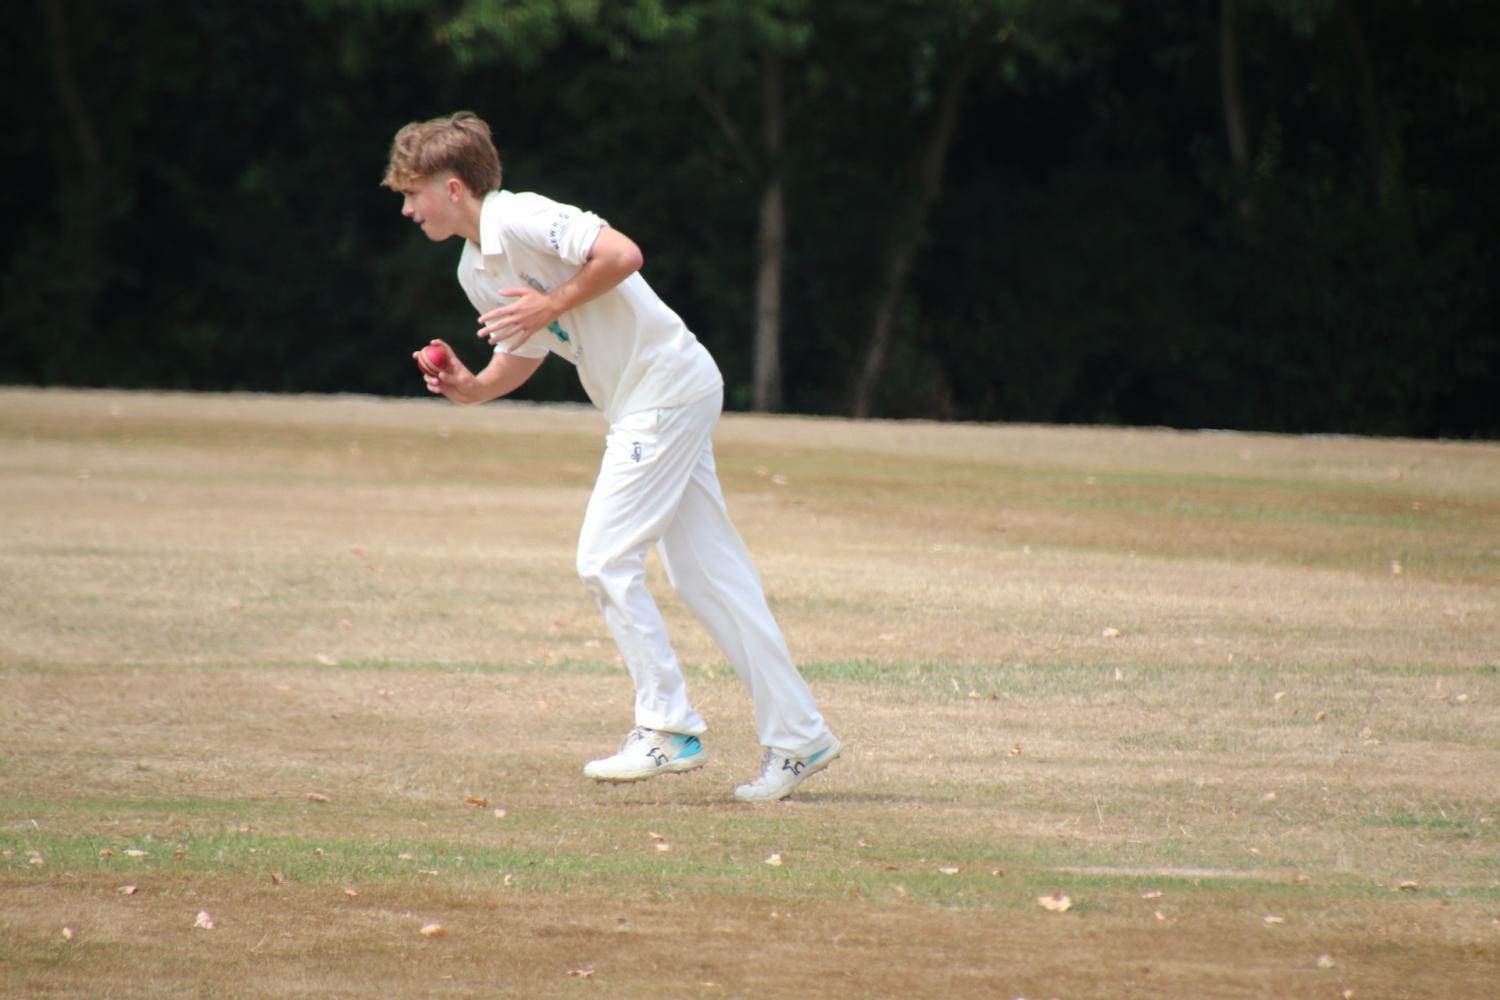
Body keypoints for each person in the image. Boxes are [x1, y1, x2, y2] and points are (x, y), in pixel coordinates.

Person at [382, 111, 841, 803]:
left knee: (603, 557)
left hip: (665, 388)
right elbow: (526, 349)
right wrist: (470, 388)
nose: (408, 208)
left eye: (412, 192)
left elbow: (622, 254)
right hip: (650, 400)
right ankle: (800, 735)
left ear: (453, 187)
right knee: (708, 581)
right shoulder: (474, 269)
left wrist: (548, 303)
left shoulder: (528, 217)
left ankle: (668, 728)